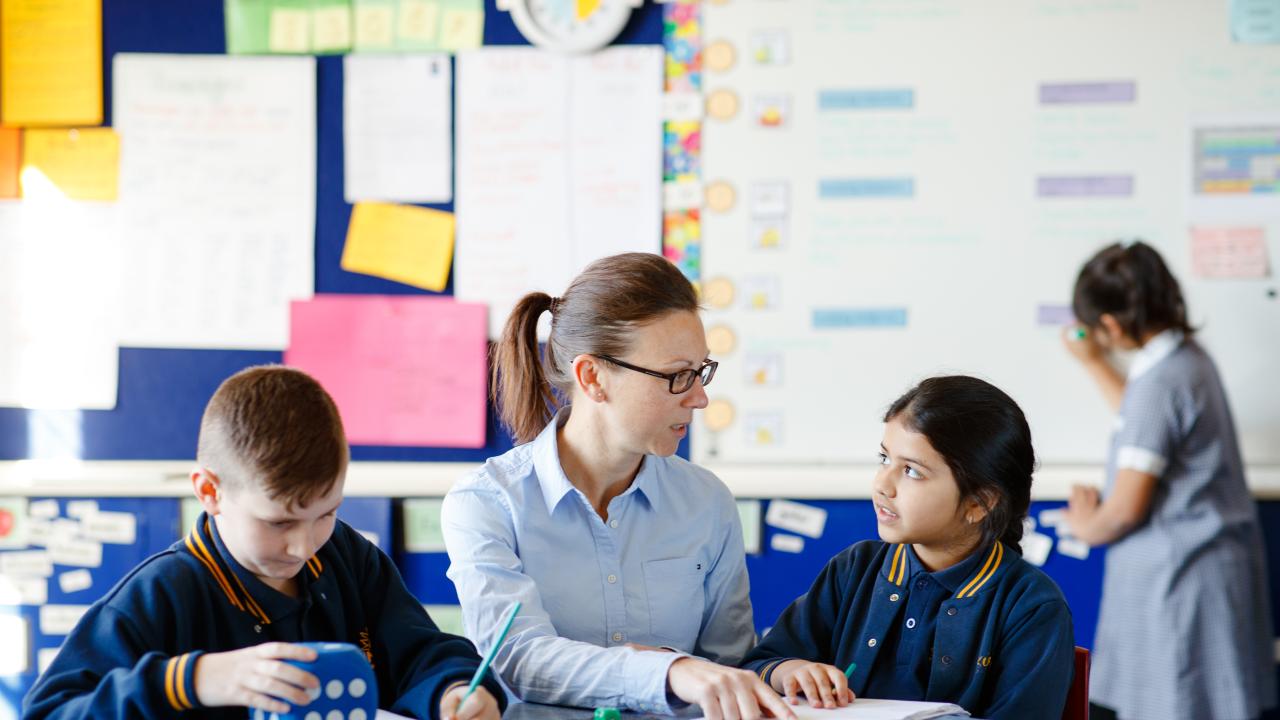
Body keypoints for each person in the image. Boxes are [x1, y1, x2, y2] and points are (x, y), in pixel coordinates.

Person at [24, 366, 504, 720]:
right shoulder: (161, 594)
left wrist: (452, 690)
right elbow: (51, 712)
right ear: (210, 492)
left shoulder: (346, 556)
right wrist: (194, 681)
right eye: (278, 523)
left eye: (327, 513)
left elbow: (421, 652)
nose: (304, 546)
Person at [441, 252, 794, 720]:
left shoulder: (707, 502)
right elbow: (519, 658)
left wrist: (775, 671)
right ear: (593, 378)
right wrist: (669, 672)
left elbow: (726, 666)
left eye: (701, 371)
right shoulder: (487, 503)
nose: (700, 397)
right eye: (676, 376)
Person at [741, 376, 1075, 720]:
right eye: (884, 459)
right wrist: (789, 671)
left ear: (979, 502)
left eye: (912, 471)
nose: (883, 484)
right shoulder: (853, 569)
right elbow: (757, 667)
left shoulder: (1032, 606)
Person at [1062, 241, 1276, 720]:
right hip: (1206, 572)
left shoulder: (1160, 383)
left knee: (1175, 703)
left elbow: (1124, 510)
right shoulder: (1187, 361)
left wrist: (1084, 524)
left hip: (1183, 583)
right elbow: (1146, 420)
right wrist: (1094, 362)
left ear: (1111, 326)